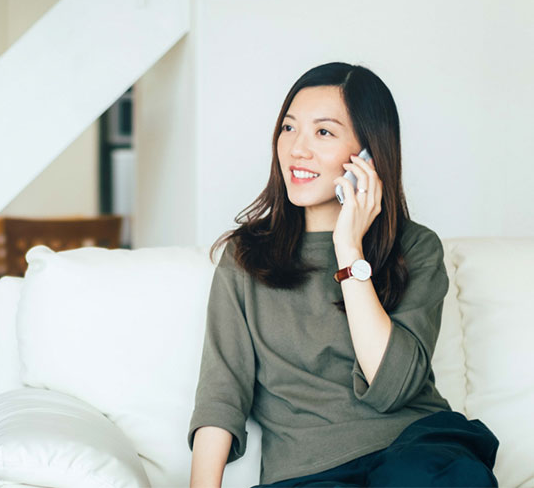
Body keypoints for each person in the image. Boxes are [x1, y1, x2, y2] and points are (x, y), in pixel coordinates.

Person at [187, 62, 500, 487]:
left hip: (416, 449)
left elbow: (391, 386)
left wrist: (348, 249)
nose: (297, 149)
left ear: (368, 153)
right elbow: (221, 395)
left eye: (324, 132)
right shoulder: (245, 258)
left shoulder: (416, 248)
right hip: (307, 471)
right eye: (289, 128)